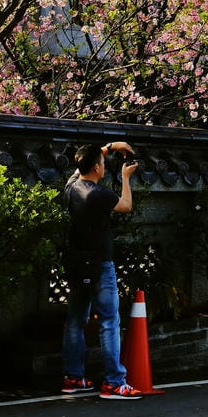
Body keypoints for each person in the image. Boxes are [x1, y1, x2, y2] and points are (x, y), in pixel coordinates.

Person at [61, 140, 146, 400]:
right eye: (102, 163)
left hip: (76, 263)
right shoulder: (99, 193)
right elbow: (126, 206)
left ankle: (73, 377)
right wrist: (125, 178)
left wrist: (109, 147)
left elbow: (84, 162)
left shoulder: (71, 187)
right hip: (100, 264)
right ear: (97, 168)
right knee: (109, 322)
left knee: (76, 320)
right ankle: (114, 382)